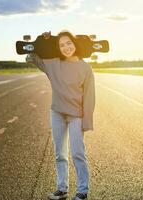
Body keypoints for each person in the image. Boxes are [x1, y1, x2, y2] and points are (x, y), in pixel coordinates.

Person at [26, 30, 95, 200]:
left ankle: (82, 191)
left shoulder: (85, 68)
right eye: (61, 45)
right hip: (56, 113)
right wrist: (42, 41)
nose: (66, 47)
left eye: (69, 43)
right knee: (60, 154)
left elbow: (90, 97)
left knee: (78, 153)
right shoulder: (53, 63)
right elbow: (32, 58)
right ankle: (62, 189)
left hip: (76, 116)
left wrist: (87, 122)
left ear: (74, 43)